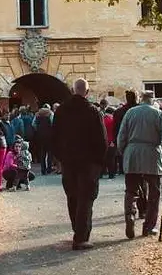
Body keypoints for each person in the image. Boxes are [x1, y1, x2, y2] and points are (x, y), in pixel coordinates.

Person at [52, 78, 108, 250]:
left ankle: (77, 229)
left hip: (69, 161)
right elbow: (102, 139)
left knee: (73, 196)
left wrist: (59, 158)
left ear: (72, 90)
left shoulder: (61, 110)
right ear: (87, 92)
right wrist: (101, 162)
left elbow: (54, 137)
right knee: (86, 197)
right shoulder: (93, 111)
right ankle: (81, 237)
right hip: (89, 162)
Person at [116, 90, 162, 239]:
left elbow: (121, 136)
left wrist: (124, 151)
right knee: (154, 192)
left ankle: (130, 216)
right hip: (152, 154)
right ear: (152, 99)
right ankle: (148, 227)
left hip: (133, 153)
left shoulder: (130, 113)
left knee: (131, 190)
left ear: (141, 98)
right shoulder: (158, 114)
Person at [32, 103, 55, 175]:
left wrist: (38, 129)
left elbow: (33, 124)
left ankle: (43, 169)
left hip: (40, 136)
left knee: (42, 153)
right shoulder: (50, 113)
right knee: (50, 153)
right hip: (49, 135)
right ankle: (49, 169)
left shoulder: (37, 114)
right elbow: (52, 122)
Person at [103, 106, 117, 179]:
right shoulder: (112, 120)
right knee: (111, 159)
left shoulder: (102, 119)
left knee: (103, 158)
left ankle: (101, 173)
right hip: (111, 141)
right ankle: (111, 174)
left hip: (104, 141)